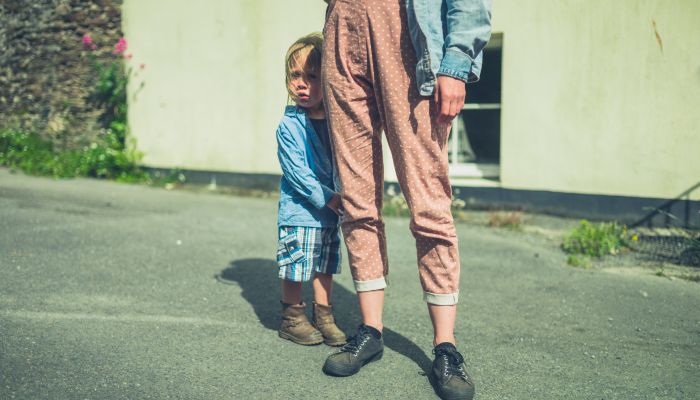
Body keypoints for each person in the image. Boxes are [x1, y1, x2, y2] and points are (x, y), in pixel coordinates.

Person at [321, 0, 492, 399]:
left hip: (403, 33)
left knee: (429, 203)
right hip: (341, 30)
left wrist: (456, 63)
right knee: (357, 199)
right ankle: (371, 330)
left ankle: (445, 347)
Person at [275, 32, 346, 347]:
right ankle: (292, 316)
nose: (301, 83)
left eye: (312, 76)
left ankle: (324, 315)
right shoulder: (288, 127)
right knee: (296, 264)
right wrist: (330, 198)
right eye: (295, 75)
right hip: (301, 211)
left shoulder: (336, 123)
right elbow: (298, 174)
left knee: (324, 265)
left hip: (329, 215)